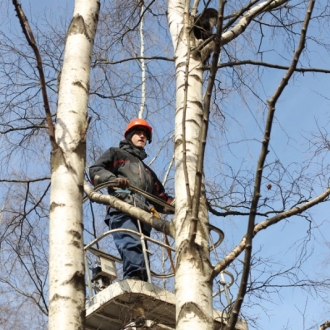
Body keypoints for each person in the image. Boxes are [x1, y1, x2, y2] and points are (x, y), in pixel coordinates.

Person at [89, 118, 173, 281]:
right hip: (122, 208)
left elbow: (161, 199)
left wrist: (181, 205)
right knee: (131, 245)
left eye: (145, 135)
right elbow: (95, 170)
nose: (142, 136)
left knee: (142, 252)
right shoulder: (116, 154)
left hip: (143, 216)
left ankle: (142, 282)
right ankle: (134, 280)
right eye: (138, 133)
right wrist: (113, 179)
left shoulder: (148, 172)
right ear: (130, 136)